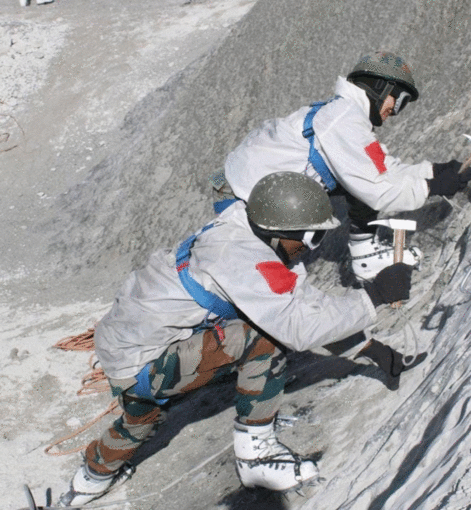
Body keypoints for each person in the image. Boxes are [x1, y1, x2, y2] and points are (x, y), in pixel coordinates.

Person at [56, 172, 413, 507]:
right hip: (141, 363)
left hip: (128, 350)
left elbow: (304, 303)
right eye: (312, 235)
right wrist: (375, 296)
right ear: (281, 230)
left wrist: (367, 346)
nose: (312, 246)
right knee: (262, 336)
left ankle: (88, 482)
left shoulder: (245, 229)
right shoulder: (244, 261)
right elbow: (297, 325)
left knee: (140, 418)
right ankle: (256, 455)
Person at [211, 50, 471, 281]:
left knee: (354, 185)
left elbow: (380, 168)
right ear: (380, 87)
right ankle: (364, 262)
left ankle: (364, 254)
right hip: (243, 202)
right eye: (400, 100)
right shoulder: (343, 121)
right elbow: (379, 191)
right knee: (280, 286)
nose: (394, 111)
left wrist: (432, 172)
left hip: (238, 187)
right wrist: (431, 187)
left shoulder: (344, 114)